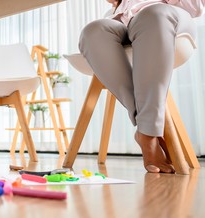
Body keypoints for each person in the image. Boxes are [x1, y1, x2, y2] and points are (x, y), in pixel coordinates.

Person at [79, 0, 204, 173]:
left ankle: (147, 133)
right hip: (124, 21)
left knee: (154, 13)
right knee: (92, 31)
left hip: (166, 16)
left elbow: (196, 7)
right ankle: (147, 126)